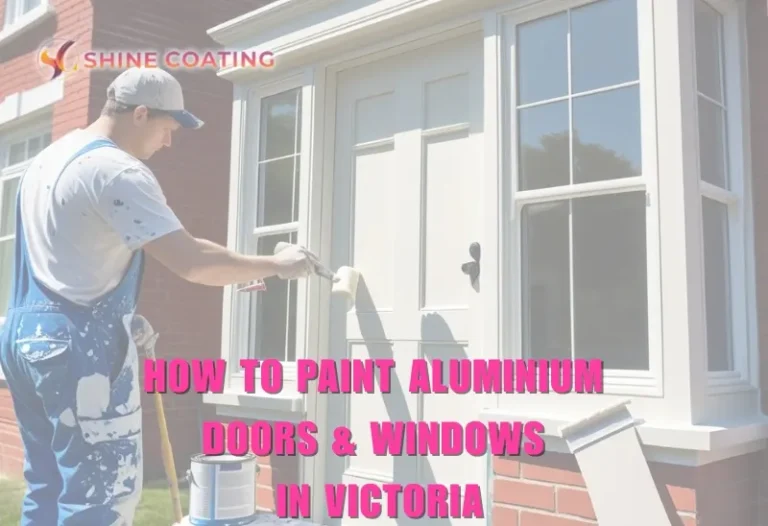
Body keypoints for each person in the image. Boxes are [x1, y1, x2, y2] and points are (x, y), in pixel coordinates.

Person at [0, 67, 316, 526]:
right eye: (168, 128)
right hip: (78, 350)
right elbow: (193, 261)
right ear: (142, 113)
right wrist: (277, 264)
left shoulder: (46, 161)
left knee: (48, 488)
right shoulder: (117, 170)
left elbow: (69, 258)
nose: (168, 142)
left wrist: (122, 316)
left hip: (24, 340)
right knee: (99, 497)